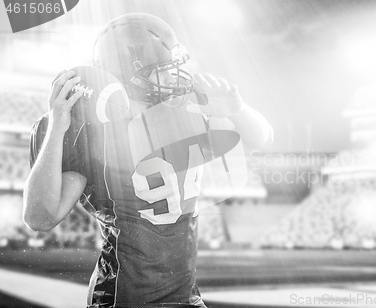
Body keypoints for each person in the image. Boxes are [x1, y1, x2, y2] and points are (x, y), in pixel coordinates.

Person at [23, 13, 273, 308]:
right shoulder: (91, 131)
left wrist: (236, 109)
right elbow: (40, 217)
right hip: (124, 298)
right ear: (130, 74)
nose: (173, 78)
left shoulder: (190, 107)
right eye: (162, 71)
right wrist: (56, 128)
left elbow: (262, 138)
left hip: (185, 296)